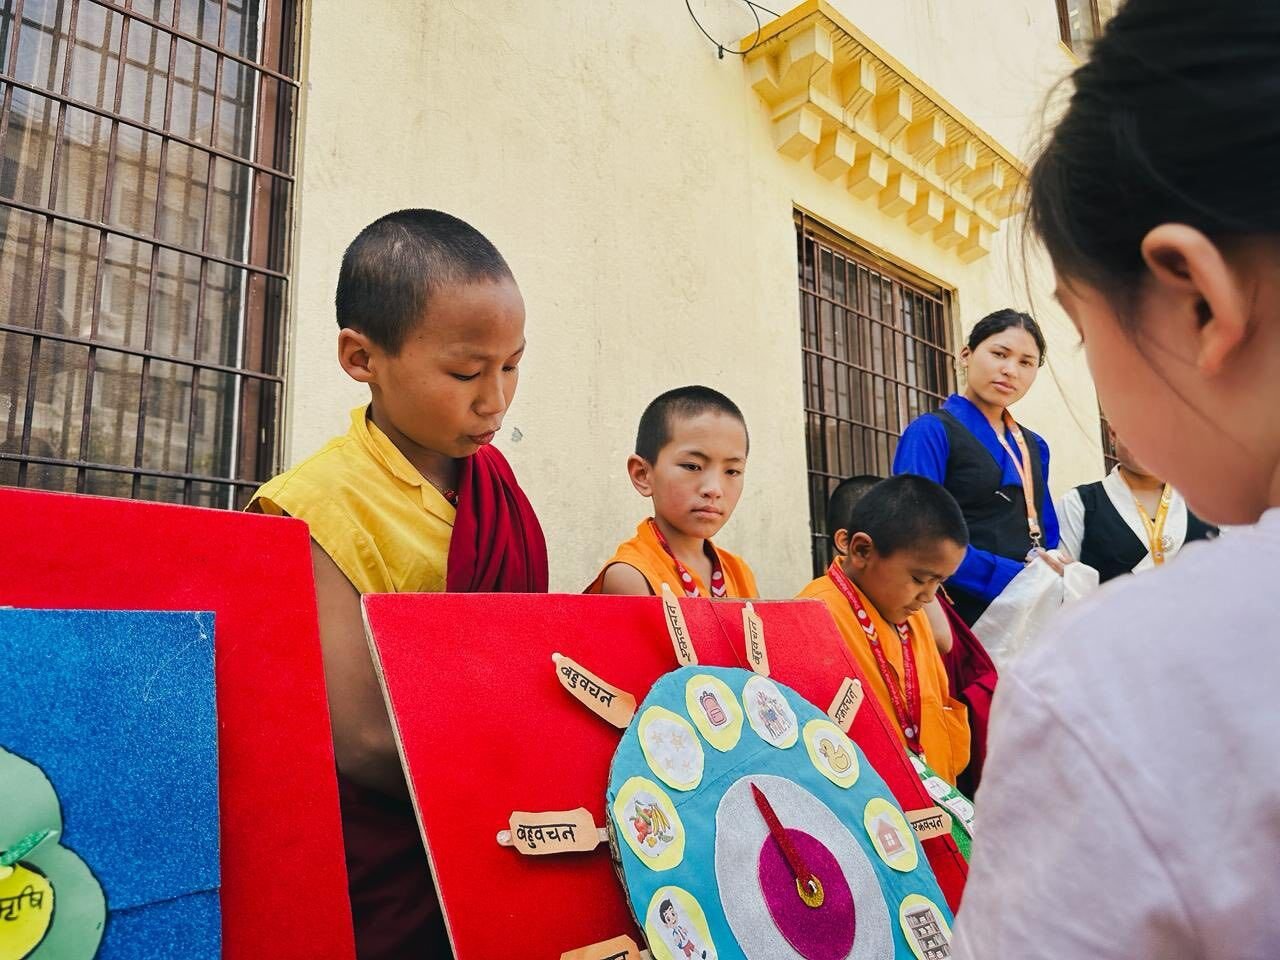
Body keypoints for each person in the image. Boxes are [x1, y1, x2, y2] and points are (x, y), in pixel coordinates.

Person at [952, 1, 1280, 955]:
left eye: (1062, 338)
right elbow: (927, 520)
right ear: (967, 357)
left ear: (1194, 299)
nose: (1021, 372)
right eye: (1003, 354)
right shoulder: (942, 432)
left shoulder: (1106, 688)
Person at [249, 210, 547, 957]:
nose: (496, 400)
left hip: (511, 827)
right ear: (361, 357)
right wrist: (526, 781)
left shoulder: (491, 479)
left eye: (511, 366)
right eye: (466, 373)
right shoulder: (314, 507)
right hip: (403, 853)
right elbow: (358, 740)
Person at [797, 474, 971, 785]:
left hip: (933, 800)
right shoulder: (813, 616)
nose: (929, 597)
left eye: (939, 582)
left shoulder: (913, 616)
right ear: (862, 550)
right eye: (919, 579)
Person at [893, 309, 1062, 626]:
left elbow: (1047, 531)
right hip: (956, 610)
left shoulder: (1034, 446)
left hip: (1026, 612)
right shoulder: (931, 432)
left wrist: (1052, 568)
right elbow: (917, 532)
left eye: (1026, 362)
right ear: (966, 355)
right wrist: (1010, 575)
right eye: (999, 354)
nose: (1010, 370)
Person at [587, 386, 758, 598]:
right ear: (643, 474)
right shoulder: (633, 576)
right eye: (692, 466)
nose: (714, 489)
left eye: (732, 471)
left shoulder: (739, 573)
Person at [1057, 424, 1218, 582]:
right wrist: (1082, 582)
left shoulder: (1207, 499)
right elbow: (1064, 585)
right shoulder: (1078, 504)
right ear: (1113, 434)